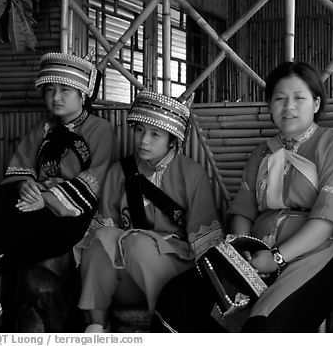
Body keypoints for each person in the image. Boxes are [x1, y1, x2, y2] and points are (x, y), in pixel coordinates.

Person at [154, 61, 333, 332]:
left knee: (263, 325)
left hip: (316, 253)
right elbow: (243, 212)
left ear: (316, 104)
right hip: (256, 251)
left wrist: (277, 258)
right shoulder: (261, 154)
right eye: (279, 99)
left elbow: (327, 221)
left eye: (299, 98)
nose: (289, 107)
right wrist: (244, 252)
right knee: (177, 296)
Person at [0, 52, 118, 322]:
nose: (55, 97)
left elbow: (97, 179)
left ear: (83, 95)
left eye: (65, 90)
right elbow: (19, 170)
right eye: (50, 90)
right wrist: (27, 187)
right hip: (31, 208)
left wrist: (46, 199)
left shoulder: (100, 129)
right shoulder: (41, 130)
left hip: (71, 217)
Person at [74, 91, 224, 333]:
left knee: (137, 244)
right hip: (127, 278)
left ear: (172, 140)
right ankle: (96, 325)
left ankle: (166, 324)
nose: (144, 140)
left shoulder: (191, 174)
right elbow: (105, 228)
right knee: (100, 239)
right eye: (139, 130)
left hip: (172, 274)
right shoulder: (118, 172)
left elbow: (205, 242)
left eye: (155, 134)